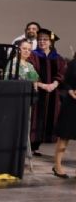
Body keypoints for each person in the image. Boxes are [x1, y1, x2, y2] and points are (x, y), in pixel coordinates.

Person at [31, 28, 67, 156]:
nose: (42, 42)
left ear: (50, 42)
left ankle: (41, 143)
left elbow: (62, 73)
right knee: (36, 117)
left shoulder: (58, 58)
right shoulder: (33, 55)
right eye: (39, 39)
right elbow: (31, 72)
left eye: (45, 40)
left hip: (53, 92)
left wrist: (54, 84)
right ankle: (32, 146)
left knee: (50, 117)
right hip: (37, 91)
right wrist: (42, 85)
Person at [54, 57, 76, 178]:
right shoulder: (72, 64)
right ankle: (57, 166)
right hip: (72, 104)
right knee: (65, 135)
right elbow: (65, 82)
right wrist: (70, 91)